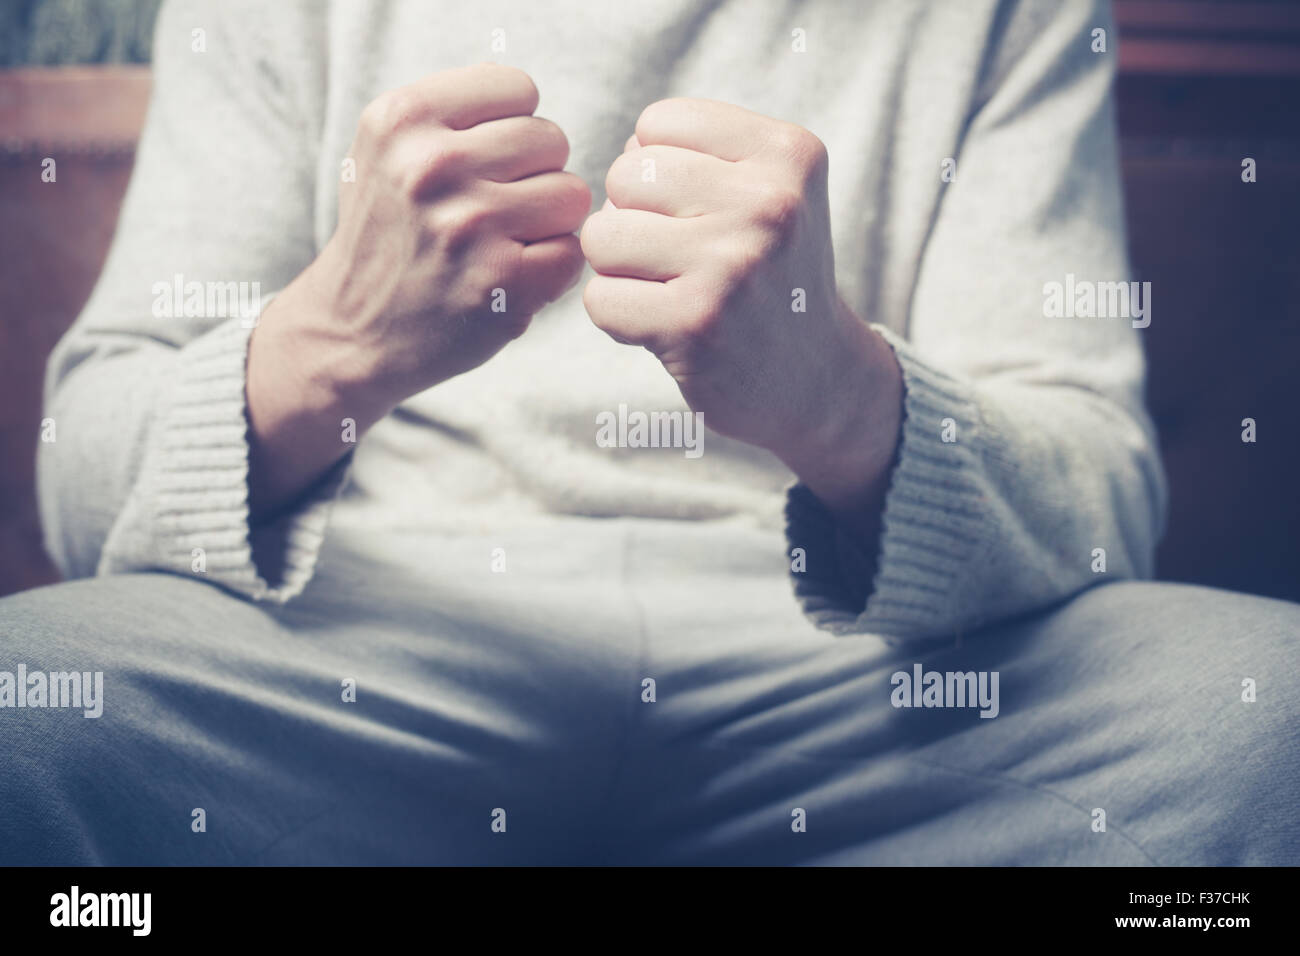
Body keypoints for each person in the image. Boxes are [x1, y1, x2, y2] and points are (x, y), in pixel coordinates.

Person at [2, 0, 1295, 865]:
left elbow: (1101, 502)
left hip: (869, 694)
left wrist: (838, 396)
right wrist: (332, 343)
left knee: (1268, 720)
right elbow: (84, 475)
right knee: (26, 709)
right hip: (348, 655)